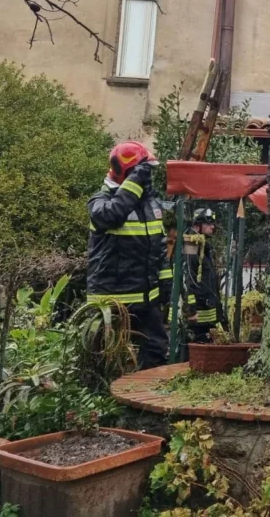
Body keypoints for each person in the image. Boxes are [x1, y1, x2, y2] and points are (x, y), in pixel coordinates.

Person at [87, 141, 169, 370]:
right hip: (111, 301)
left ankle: (148, 392)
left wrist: (165, 283)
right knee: (105, 359)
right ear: (128, 173)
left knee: (156, 351)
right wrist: (134, 183)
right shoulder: (99, 201)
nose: (148, 178)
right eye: (143, 172)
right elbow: (113, 214)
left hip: (146, 299)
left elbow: (159, 248)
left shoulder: (148, 206)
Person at [181, 208, 227, 343]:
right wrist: (191, 310)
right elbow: (187, 277)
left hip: (205, 313)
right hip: (196, 315)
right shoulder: (191, 244)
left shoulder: (201, 245)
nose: (212, 227)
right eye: (208, 223)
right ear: (197, 225)